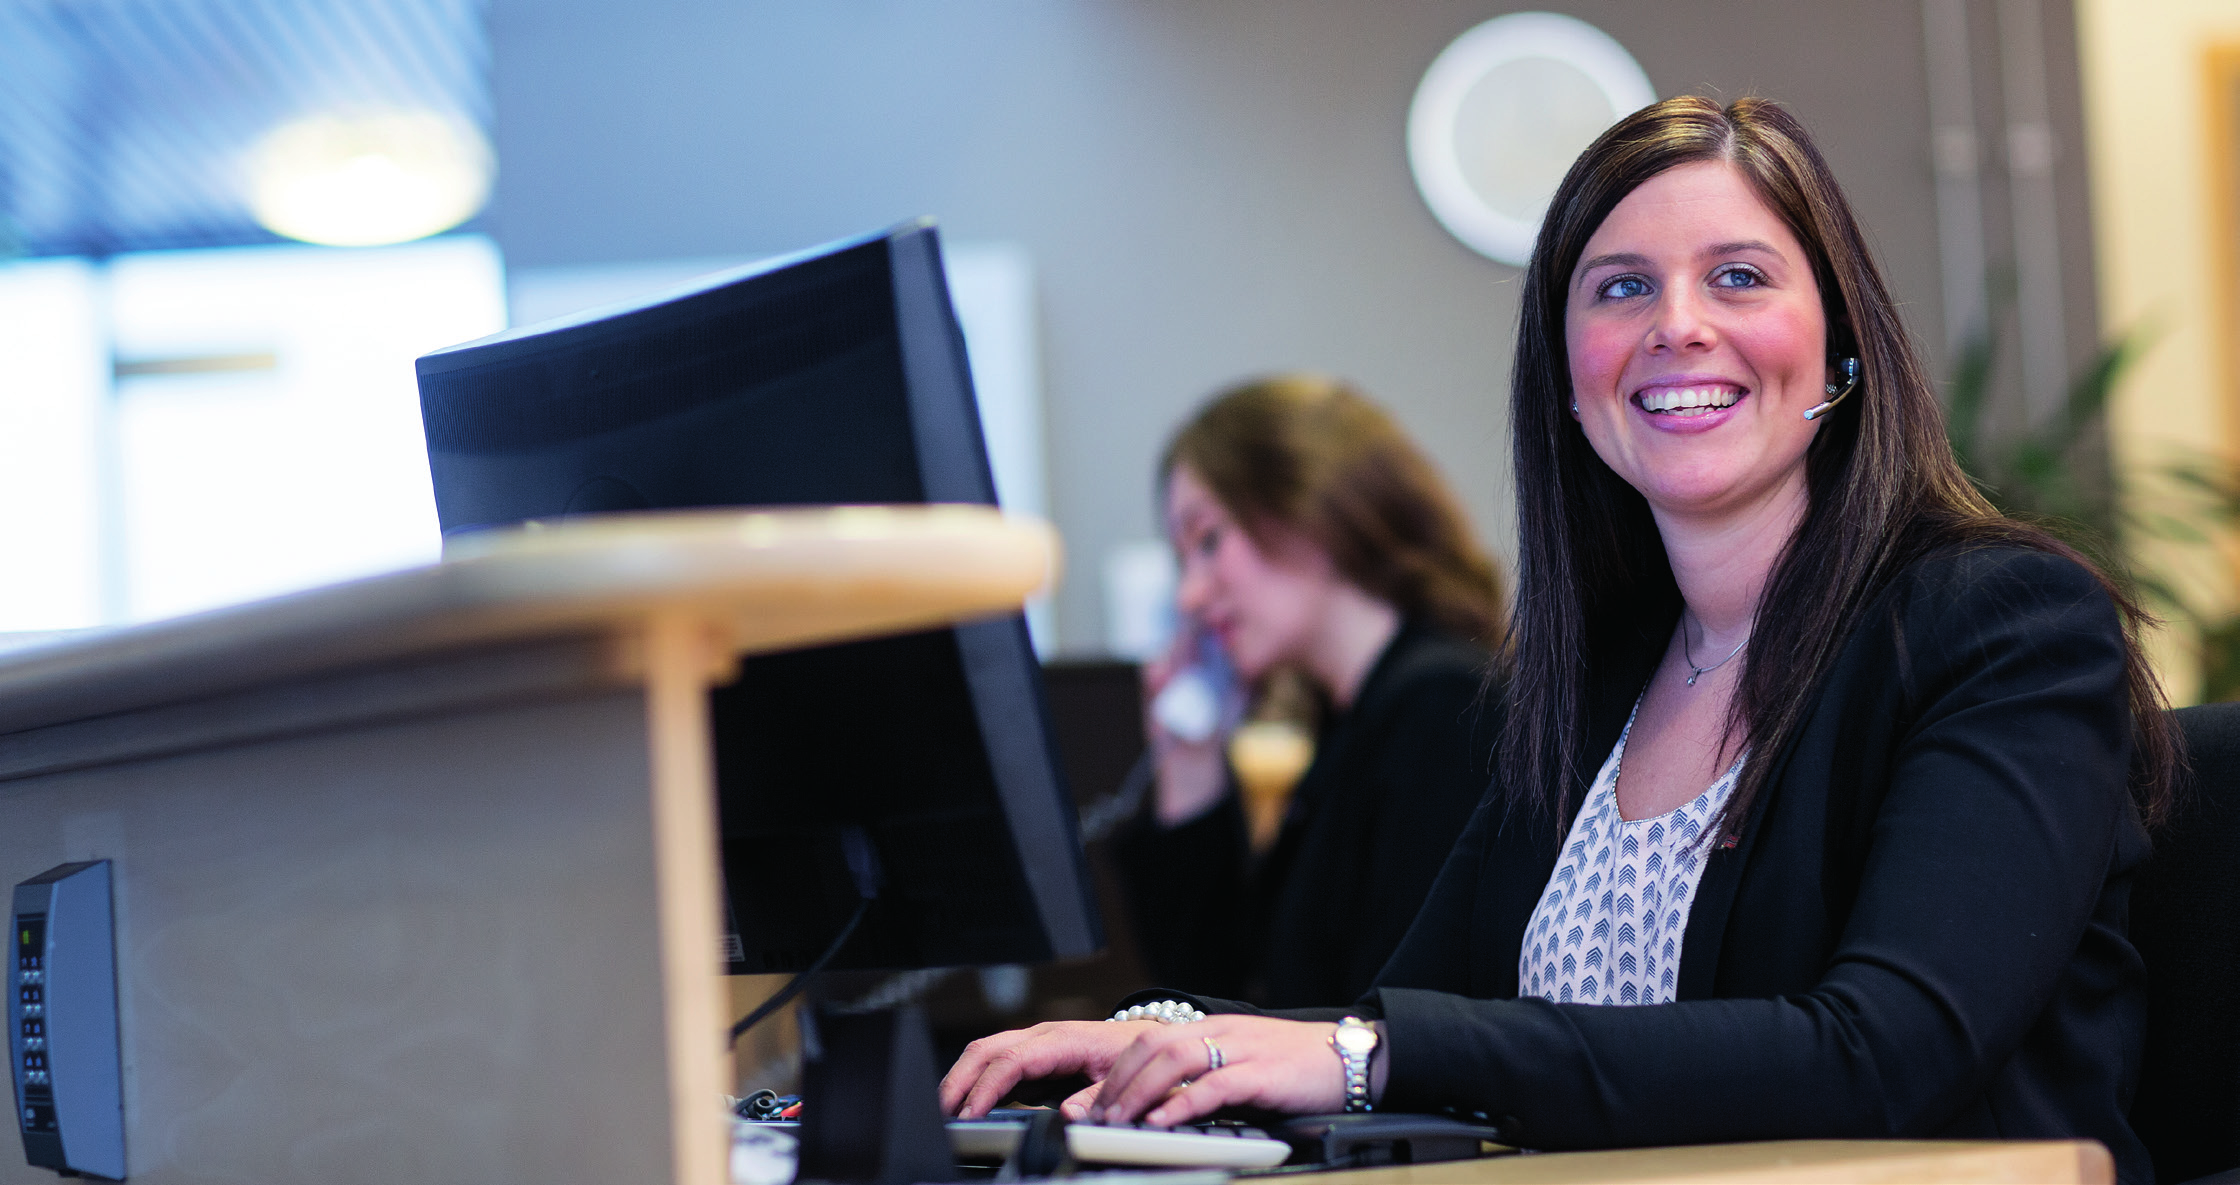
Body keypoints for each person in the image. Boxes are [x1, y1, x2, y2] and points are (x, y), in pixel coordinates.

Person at [942, 96, 2175, 1184]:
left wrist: (1363, 1050)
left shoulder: (1998, 622)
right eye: (1619, 285)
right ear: (1567, 376)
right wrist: (1160, 1036)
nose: (1676, 325)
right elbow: (1405, 1011)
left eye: (1738, 277)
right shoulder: (1585, 686)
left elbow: (1880, 1054)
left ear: (1842, 349)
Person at [1111, 374, 1504, 1008]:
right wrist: (1190, 762)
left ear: (1308, 506)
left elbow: (1394, 1029)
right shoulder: (1349, 728)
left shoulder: (1444, 713)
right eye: (1182, 561)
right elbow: (1211, 999)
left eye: (1208, 540)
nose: (1190, 595)